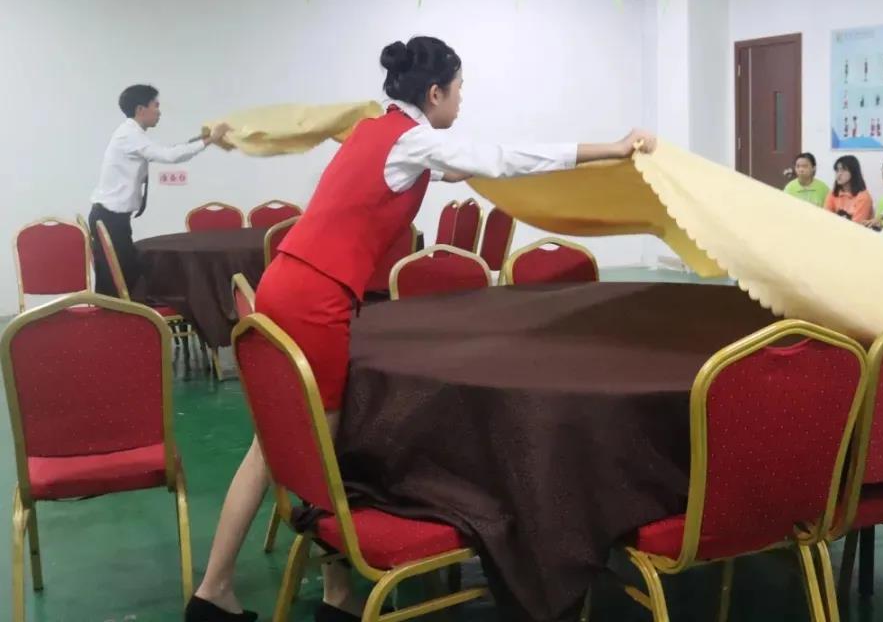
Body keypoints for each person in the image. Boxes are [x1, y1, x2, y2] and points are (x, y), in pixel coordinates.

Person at [184, 37, 658, 622]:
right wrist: (611, 148)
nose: (461, 102)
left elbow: (441, 163)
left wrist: (457, 169)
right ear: (434, 93)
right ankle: (294, 593)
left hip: (286, 280)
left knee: (280, 445)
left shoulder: (375, 129)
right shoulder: (411, 140)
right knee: (324, 449)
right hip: (316, 298)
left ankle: (228, 590)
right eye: (458, 91)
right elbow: (506, 156)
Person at [89, 84, 228, 296]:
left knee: (126, 276)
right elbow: (169, 156)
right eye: (156, 105)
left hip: (112, 218)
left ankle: (128, 313)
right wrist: (210, 140)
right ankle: (119, 316)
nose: (159, 111)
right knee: (120, 282)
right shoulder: (129, 135)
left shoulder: (132, 134)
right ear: (140, 109)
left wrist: (202, 140)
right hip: (110, 220)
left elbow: (168, 150)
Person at [824, 155, 873, 223]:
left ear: (853, 172)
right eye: (837, 170)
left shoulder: (863, 196)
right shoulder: (832, 194)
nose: (839, 174)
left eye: (843, 170)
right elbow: (826, 218)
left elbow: (857, 225)